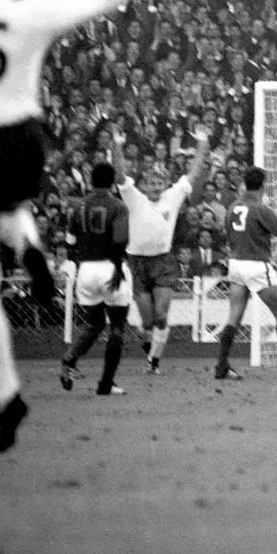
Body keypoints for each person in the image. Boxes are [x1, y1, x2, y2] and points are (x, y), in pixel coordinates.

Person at [0, 0, 149, 452]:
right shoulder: (28, 13)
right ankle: (28, 240)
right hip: (25, 140)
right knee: (13, 200)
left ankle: (9, 393)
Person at [113, 126, 211, 374]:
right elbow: (119, 174)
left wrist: (202, 141)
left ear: (165, 182)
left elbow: (195, 171)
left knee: (161, 315)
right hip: (137, 262)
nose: (155, 185)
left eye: (159, 181)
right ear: (144, 185)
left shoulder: (173, 194)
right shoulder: (134, 197)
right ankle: (150, 351)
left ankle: (154, 363)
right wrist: (116, 143)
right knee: (146, 322)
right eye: (151, 182)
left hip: (163, 261)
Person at [212, 166, 277, 381]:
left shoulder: (232, 208)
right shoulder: (260, 209)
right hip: (257, 266)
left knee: (234, 315)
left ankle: (221, 365)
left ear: (245, 184)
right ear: (263, 185)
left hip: (236, 265)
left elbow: (227, 235)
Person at [59, 162, 131, 397]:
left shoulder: (78, 208)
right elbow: (120, 241)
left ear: (90, 181)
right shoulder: (118, 206)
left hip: (86, 270)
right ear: (112, 182)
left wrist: (80, 262)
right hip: (110, 268)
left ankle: (70, 359)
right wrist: (118, 267)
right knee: (117, 327)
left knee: (95, 324)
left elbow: (69, 243)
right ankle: (106, 383)